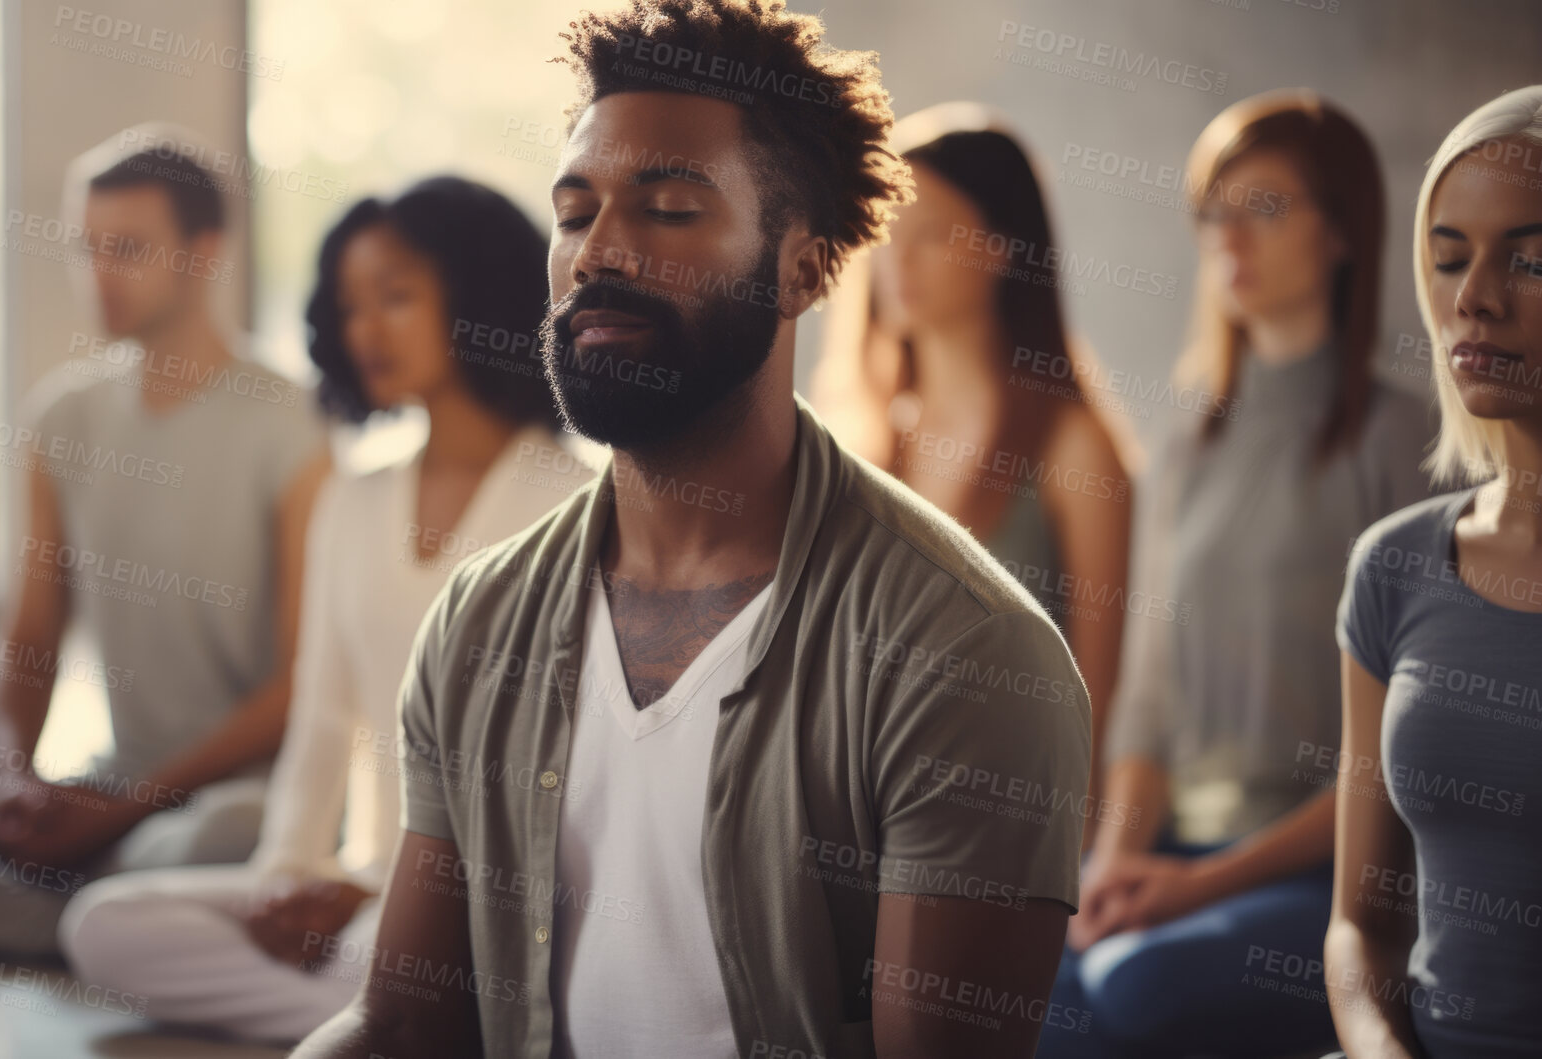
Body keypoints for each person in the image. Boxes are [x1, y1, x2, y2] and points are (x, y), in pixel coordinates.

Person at [295, 2, 1090, 1056]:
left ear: (801, 269)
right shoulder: (479, 621)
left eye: (668, 209)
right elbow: (398, 1022)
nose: (598, 253)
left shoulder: (965, 651)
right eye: (574, 214)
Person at [57, 176, 595, 1043]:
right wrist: (284, 880)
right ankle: (406, 1024)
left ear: (478, 293)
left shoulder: (569, 502)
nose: (366, 328)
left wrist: (380, 899)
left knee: (387, 949)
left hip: (490, 896)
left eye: (396, 296)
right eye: (349, 306)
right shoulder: (355, 495)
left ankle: (399, 1009)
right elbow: (320, 715)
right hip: (358, 886)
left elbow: (552, 765)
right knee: (104, 925)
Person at [0, 131, 327, 958]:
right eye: (84, 249)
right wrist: (17, 777)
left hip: (226, 803)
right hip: (107, 786)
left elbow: (300, 682)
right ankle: (108, 932)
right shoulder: (63, 419)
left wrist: (126, 811)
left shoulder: (293, 425)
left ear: (204, 255)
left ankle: (96, 917)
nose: (98, 275)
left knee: (224, 833)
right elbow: (27, 636)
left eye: (125, 249)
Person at [1040, 91, 1436, 1057]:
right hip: (1178, 850)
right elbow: (1148, 694)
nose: (1228, 237)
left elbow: (1385, 760)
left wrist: (1197, 885)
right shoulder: (1182, 443)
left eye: (1264, 207)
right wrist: (1116, 859)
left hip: (1330, 873)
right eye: (1213, 211)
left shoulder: (1408, 445)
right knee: (1024, 983)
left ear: (1343, 233)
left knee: (1129, 989)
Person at [812, 102, 1132, 822]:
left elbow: (1098, 691)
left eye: (929, 236)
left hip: (1014, 824)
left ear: (1001, 246)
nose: (898, 261)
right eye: (888, 237)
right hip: (870, 814)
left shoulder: (1071, 443)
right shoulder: (859, 446)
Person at [1327, 84, 1542, 1059]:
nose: (1474, 298)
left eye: (1528, 259)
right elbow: (1358, 926)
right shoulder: (1392, 566)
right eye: (1448, 258)